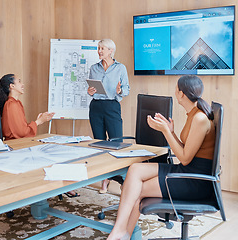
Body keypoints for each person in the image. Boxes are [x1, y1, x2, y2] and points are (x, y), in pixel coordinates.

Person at [107, 75, 215, 240]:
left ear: (181, 93)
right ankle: (120, 231)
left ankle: (122, 233)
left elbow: (185, 158)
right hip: (187, 170)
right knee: (135, 169)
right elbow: (186, 150)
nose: (175, 91)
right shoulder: (193, 114)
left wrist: (166, 131)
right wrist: (171, 131)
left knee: (137, 191)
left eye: (176, 88)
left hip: (195, 180)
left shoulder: (199, 118)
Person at [0, 74, 79, 197]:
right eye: (19, 81)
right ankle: (61, 185)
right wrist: (39, 122)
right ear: (12, 86)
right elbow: (21, 132)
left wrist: (37, 121)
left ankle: (61, 185)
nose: (22, 84)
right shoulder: (11, 105)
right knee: (53, 152)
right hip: (17, 145)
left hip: (18, 143)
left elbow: (20, 128)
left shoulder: (14, 103)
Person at [87, 39, 130, 193]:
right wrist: (90, 92)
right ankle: (104, 180)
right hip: (96, 106)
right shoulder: (94, 68)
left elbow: (126, 89)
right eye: (98, 48)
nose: (99, 51)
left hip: (112, 106)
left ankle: (123, 180)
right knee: (99, 144)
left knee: (117, 142)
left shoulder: (120, 68)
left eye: (102, 48)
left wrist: (119, 91)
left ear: (111, 50)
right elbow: (92, 88)